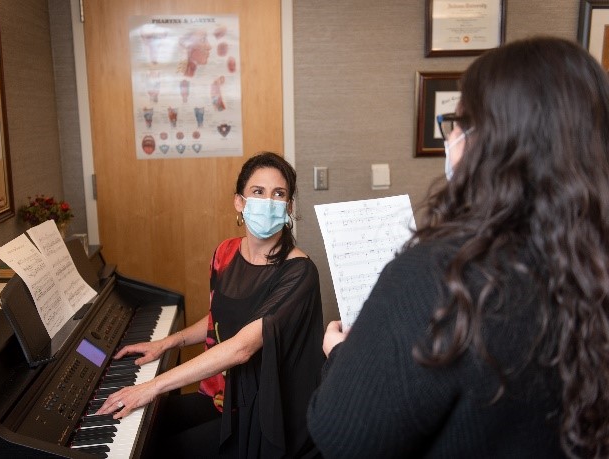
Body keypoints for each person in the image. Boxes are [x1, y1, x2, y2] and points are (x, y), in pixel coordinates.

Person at [307, 36, 609, 458]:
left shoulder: (436, 277)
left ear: (495, 143)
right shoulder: (592, 263)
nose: (452, 141)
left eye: (459, 124)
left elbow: (343, 435)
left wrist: (341, 356)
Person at [97, 152, 324, 458]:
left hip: (262, 410)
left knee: (160, 449)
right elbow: (218, 318)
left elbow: (242, 347)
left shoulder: (299, 271)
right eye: (258, 192)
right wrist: (167, 343)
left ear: (289, 208)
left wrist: (150, 387)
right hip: (219, 395)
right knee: (146, 425)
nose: (268, 202)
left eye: (278, 194)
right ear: (239, 203)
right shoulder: (226, 252)